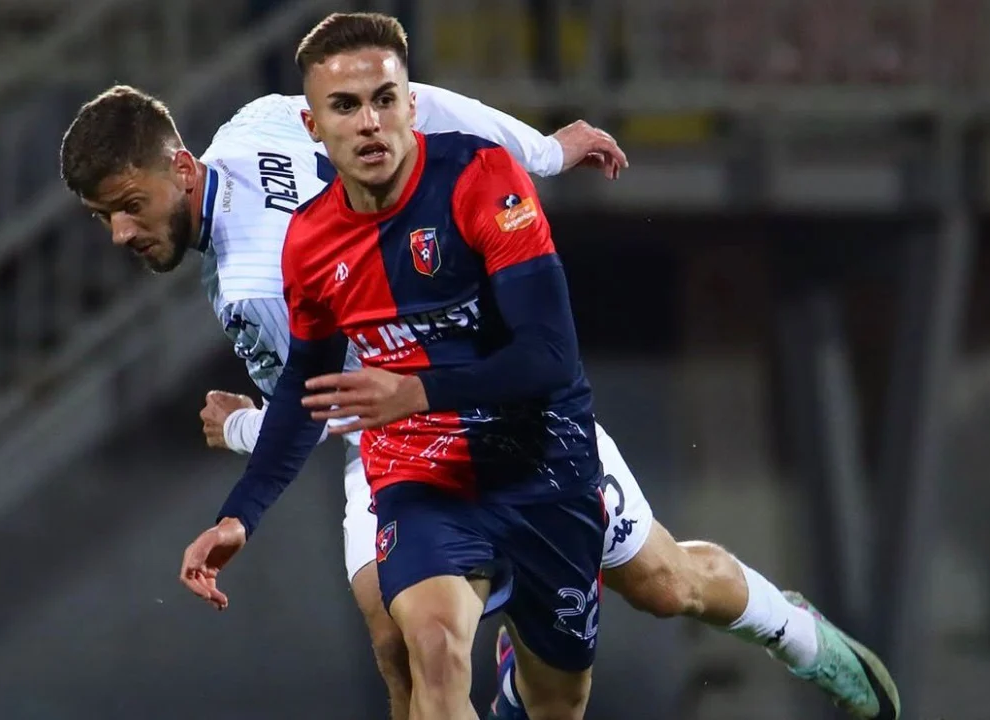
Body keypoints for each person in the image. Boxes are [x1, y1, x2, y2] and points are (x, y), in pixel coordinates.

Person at [181, 13, 903, 720]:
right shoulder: (305, 245)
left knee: (655, 596)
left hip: (539, 453)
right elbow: (313, 392)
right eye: (345, 107)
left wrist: (543, 154)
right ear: (314, 125)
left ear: (410, 106)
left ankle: (798, 634)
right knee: (425, 650)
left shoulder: (479, 181)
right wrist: (240, 514)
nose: (368, 123)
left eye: (384, 100)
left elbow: (550, 359)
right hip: (416, 469)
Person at [58, 64, 626, 720]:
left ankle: (742, 628)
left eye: (130, 206)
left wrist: (242, 429)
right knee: (405, 646)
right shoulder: (251, 125)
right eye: (104, 216)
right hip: (410, 417)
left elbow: (339, 405)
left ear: (182, 169)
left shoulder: (255, 285)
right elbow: (414, 104)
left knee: (665, 585)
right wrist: (545, 151)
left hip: (467, 401)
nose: (120, 234)